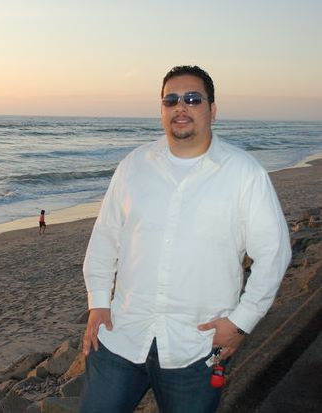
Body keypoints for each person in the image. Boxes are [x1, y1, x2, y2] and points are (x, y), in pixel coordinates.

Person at [80, 65, 292, 413]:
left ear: (212, 109)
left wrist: (241, 323)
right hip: (122, 336)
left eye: (193, 99)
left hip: (196, 348)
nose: (181, 106)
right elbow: (105, 237)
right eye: (171, 100)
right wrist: (98, 301)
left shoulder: (243, 173)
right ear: (161, 110)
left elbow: (274, 254)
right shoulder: (134, 165)